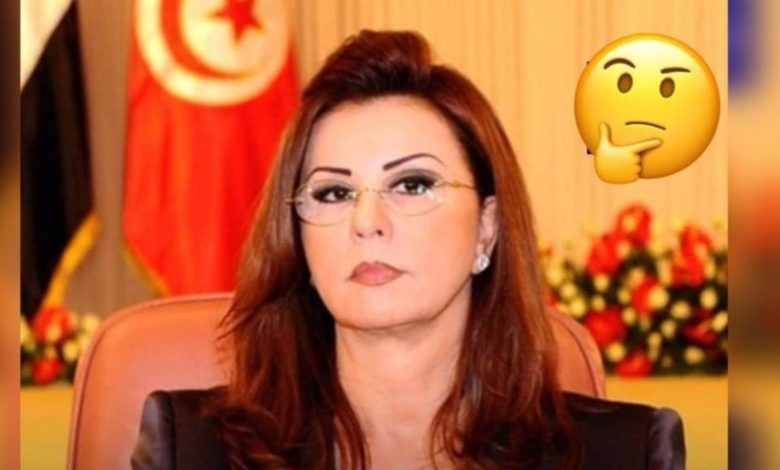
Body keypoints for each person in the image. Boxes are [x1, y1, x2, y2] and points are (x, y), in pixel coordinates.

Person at [131, 30, 685, 470]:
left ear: (486, 228)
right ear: (297, 238)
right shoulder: (196, 450)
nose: (367, 223)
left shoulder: (624, 453)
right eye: (333, 193)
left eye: (413, 184)